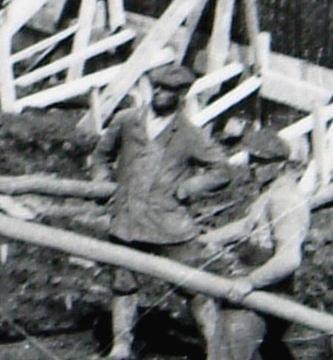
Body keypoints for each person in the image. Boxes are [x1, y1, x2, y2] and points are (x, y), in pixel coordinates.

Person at [92, 63, 233, 360]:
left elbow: (222, 170)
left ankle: (218, 351)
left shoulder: (189, 134)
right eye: (156, 86)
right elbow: (101, 156)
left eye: (168, 90)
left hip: (170, 226)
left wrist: (189, 188)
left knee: (194, 287)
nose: (159, 93)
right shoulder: (127, 121)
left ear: (181, 95)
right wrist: (102, 182)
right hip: (127, 220)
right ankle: (121, 347)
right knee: (123, 284)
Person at [197, 130, 311, 360]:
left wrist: (250, 282)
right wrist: (206, 239)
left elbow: (289, 258)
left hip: (267, 291)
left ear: (280, 164)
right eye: (252, 159)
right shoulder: (271, 191)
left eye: (261, 162)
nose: (253, 166)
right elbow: (248, 226)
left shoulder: (284, 199)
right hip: (257, 281)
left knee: (229, 348)